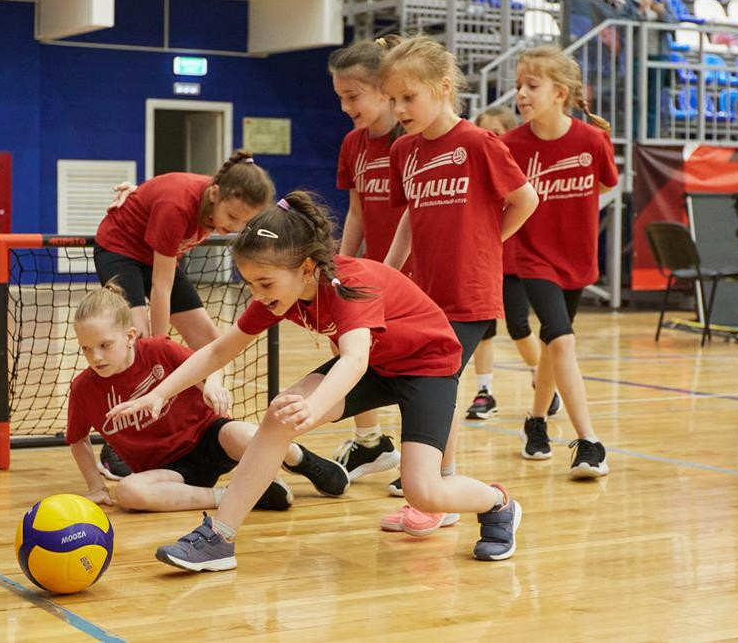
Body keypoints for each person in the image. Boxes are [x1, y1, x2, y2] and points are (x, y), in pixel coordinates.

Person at [108, 192, 525, 569]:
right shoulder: (278, 295)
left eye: (265, 283)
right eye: (251, 283)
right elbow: (219, 349)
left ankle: (498, 503)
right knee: (278, 417)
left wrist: (315, 403)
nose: (258, 293)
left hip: (427, 365)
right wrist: (159, 394)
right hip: (381, 363)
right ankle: (219, 537)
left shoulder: (349, 283)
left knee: (424, 492)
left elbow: (355, 357)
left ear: (305, 267)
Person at [381, 36, 539, 520]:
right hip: (423, 294)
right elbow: (409, 215)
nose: (400, 107)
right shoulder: (404, 149)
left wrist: (490, 242)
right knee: (432, 385)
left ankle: (442, 494)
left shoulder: (477, 142)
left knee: (437, 383)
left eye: (409, 97)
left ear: (443, 88)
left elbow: (525, 199)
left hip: (469, 293)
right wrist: (385, 273)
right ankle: (439, 488)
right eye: (392, 99)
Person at [69, 281, 348, 513]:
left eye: (105, 345)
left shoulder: (158, 350)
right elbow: (77, 440)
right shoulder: (83, 388)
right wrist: (96, 486)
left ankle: (302, 460)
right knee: (129, 492)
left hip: (209, 438)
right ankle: (232, 496)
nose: (96, 357)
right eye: (86, 349)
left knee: (249, 434)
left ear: (130, 336)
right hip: (170, 472)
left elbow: (214, 359)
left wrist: (214, 384)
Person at [92, 151, 274, 479]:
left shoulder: (214, 203)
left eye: (242, 223)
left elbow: (164, 276)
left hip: (157, 259)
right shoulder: (177, 206)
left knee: (210, 340)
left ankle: (211, 428)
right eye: (231, 217)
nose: (233, 228)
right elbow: (160, 287)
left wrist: (212, 381)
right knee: (135, 344)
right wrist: (157, 356)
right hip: (121, 251)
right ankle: (119, 443)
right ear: (215, 194)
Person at [502, 46, 619, 478]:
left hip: (577, 257)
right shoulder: (509, 145)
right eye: (518, 86)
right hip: (532, 258)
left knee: (555, 344)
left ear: (560, 93)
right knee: (562, 341)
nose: (521, 94)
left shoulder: (592, 141)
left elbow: (607, 183)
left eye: (531, 86)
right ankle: (589, 442)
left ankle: (536, 421)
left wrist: (573, 216)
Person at [328, 39, 406, 484]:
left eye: (352, 96)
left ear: (382, 88)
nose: (344, 106)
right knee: (345, 344)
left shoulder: (412, 140)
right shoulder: (353, 144)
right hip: (373, 271)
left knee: (418, 367)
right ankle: (372, 443)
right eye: (340, 97)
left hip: (410, 275)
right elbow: (357, 211)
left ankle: (422, 460)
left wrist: (391, 271)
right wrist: (339, 264)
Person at [465, 106, 553, 422]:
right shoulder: (472, 166)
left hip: (512, 256)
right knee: (483, 330)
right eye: (484, 132)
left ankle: (542, 378)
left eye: (497, 133)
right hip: (481, 259)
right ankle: (484, 392)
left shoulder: (515, 170)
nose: (491, 139)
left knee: (518, 325)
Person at [631, 0, 678, 139]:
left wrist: (662, 13)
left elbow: (674, 25)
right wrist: (641, 13)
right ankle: (635, 136)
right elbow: (625, 26)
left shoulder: (663, 2)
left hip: (658, 56)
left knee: (654, 99)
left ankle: (650, 136)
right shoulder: (631, 4)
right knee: (636, 98)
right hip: (637, 57)